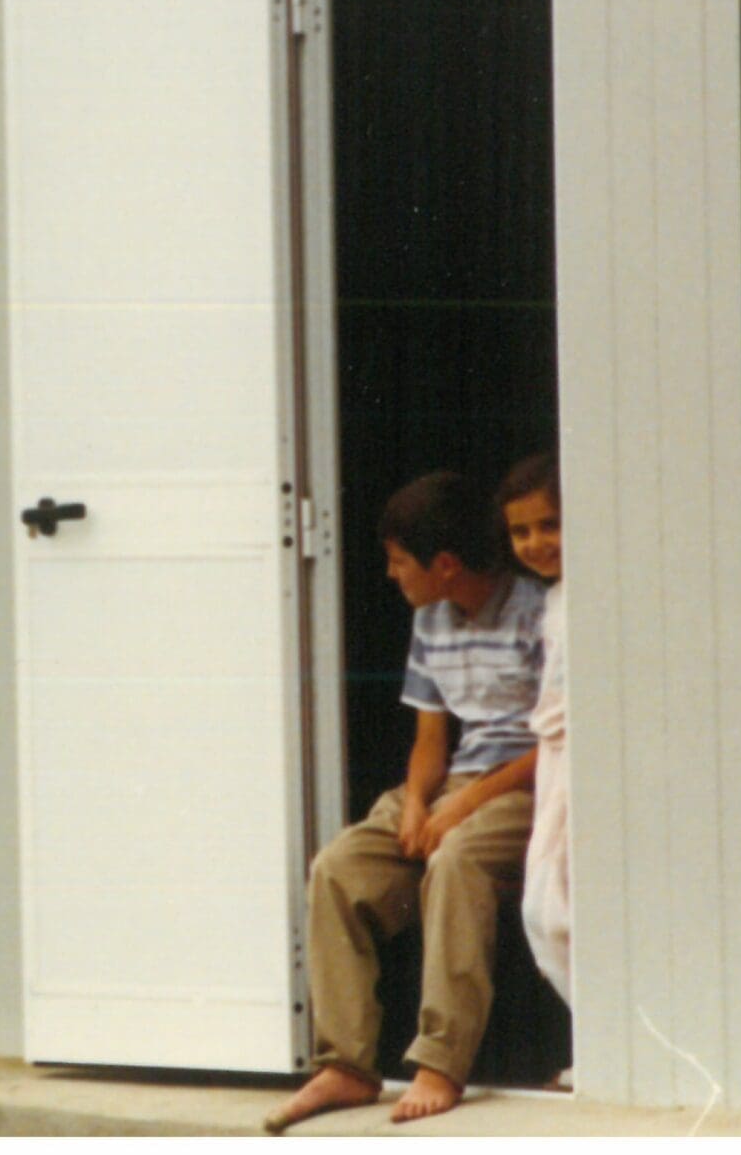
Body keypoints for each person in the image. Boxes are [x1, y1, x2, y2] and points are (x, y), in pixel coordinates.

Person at [264, 470, 545, 1132]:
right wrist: (418, 803)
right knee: (339, 867)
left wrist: (459, 810)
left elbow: (558, 742)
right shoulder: (430, 619)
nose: (390, 574)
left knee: (455, 861)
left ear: (444, 564)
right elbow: (429, 739)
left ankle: (442, 1062)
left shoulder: (538, 613)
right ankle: (347, 1064)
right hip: (454, 783)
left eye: (397, 560)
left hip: (523, 784)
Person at [501, 451, 571, 1025]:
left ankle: (607, 1040)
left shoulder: (590, 597)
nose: (534, 543)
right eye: (520, 532)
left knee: (563, 908)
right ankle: (592, 1035)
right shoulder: (554, 599)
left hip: (579, 760)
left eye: (549, 525)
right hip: (554, 761)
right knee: (541, 907)